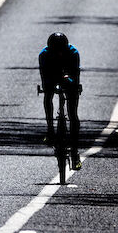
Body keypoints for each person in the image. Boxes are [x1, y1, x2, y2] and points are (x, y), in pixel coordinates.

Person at [39, 32, 82, 170]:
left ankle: (75, 153)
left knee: (72, 113)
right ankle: (50, 128)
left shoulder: (73, 53)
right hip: (51, 75)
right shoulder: (44, 54)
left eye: (60, 51)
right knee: (48, 95)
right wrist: (47, 86)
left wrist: (73, 84)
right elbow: (44, 75)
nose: (58, 54)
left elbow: (76, 74)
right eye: (54, 51)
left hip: (68, 76)